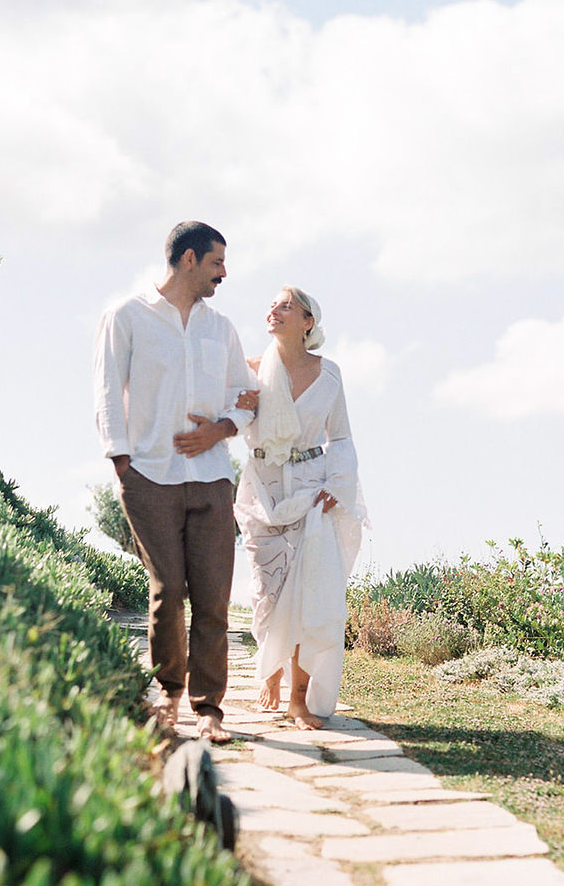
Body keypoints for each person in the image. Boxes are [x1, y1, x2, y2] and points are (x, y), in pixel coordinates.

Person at [93, 221, 255, 742]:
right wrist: (122, 463)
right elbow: (105, 390)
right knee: (169, 589)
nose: (223, 274)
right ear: (188, 259)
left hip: (210, 478)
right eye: (216, 263)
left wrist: (220, 431)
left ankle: (210, 709)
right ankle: (168, 695)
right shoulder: (127, 317)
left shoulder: (220, 328)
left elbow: (246, 395)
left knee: (213, 597)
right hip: (149, 476)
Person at [234, 287, 365, 729]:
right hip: (262, 491)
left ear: (308, 321)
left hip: (312, 490)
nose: (274, 310)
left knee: (310, 592)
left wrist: (338, 484)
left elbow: (341, 437)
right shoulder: (249, 371)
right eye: (272, 304)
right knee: (269, 593)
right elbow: (225, 417)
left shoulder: (329, 376)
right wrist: (239, 405)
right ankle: (270, 670)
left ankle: (298, 698)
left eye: (286, 305)